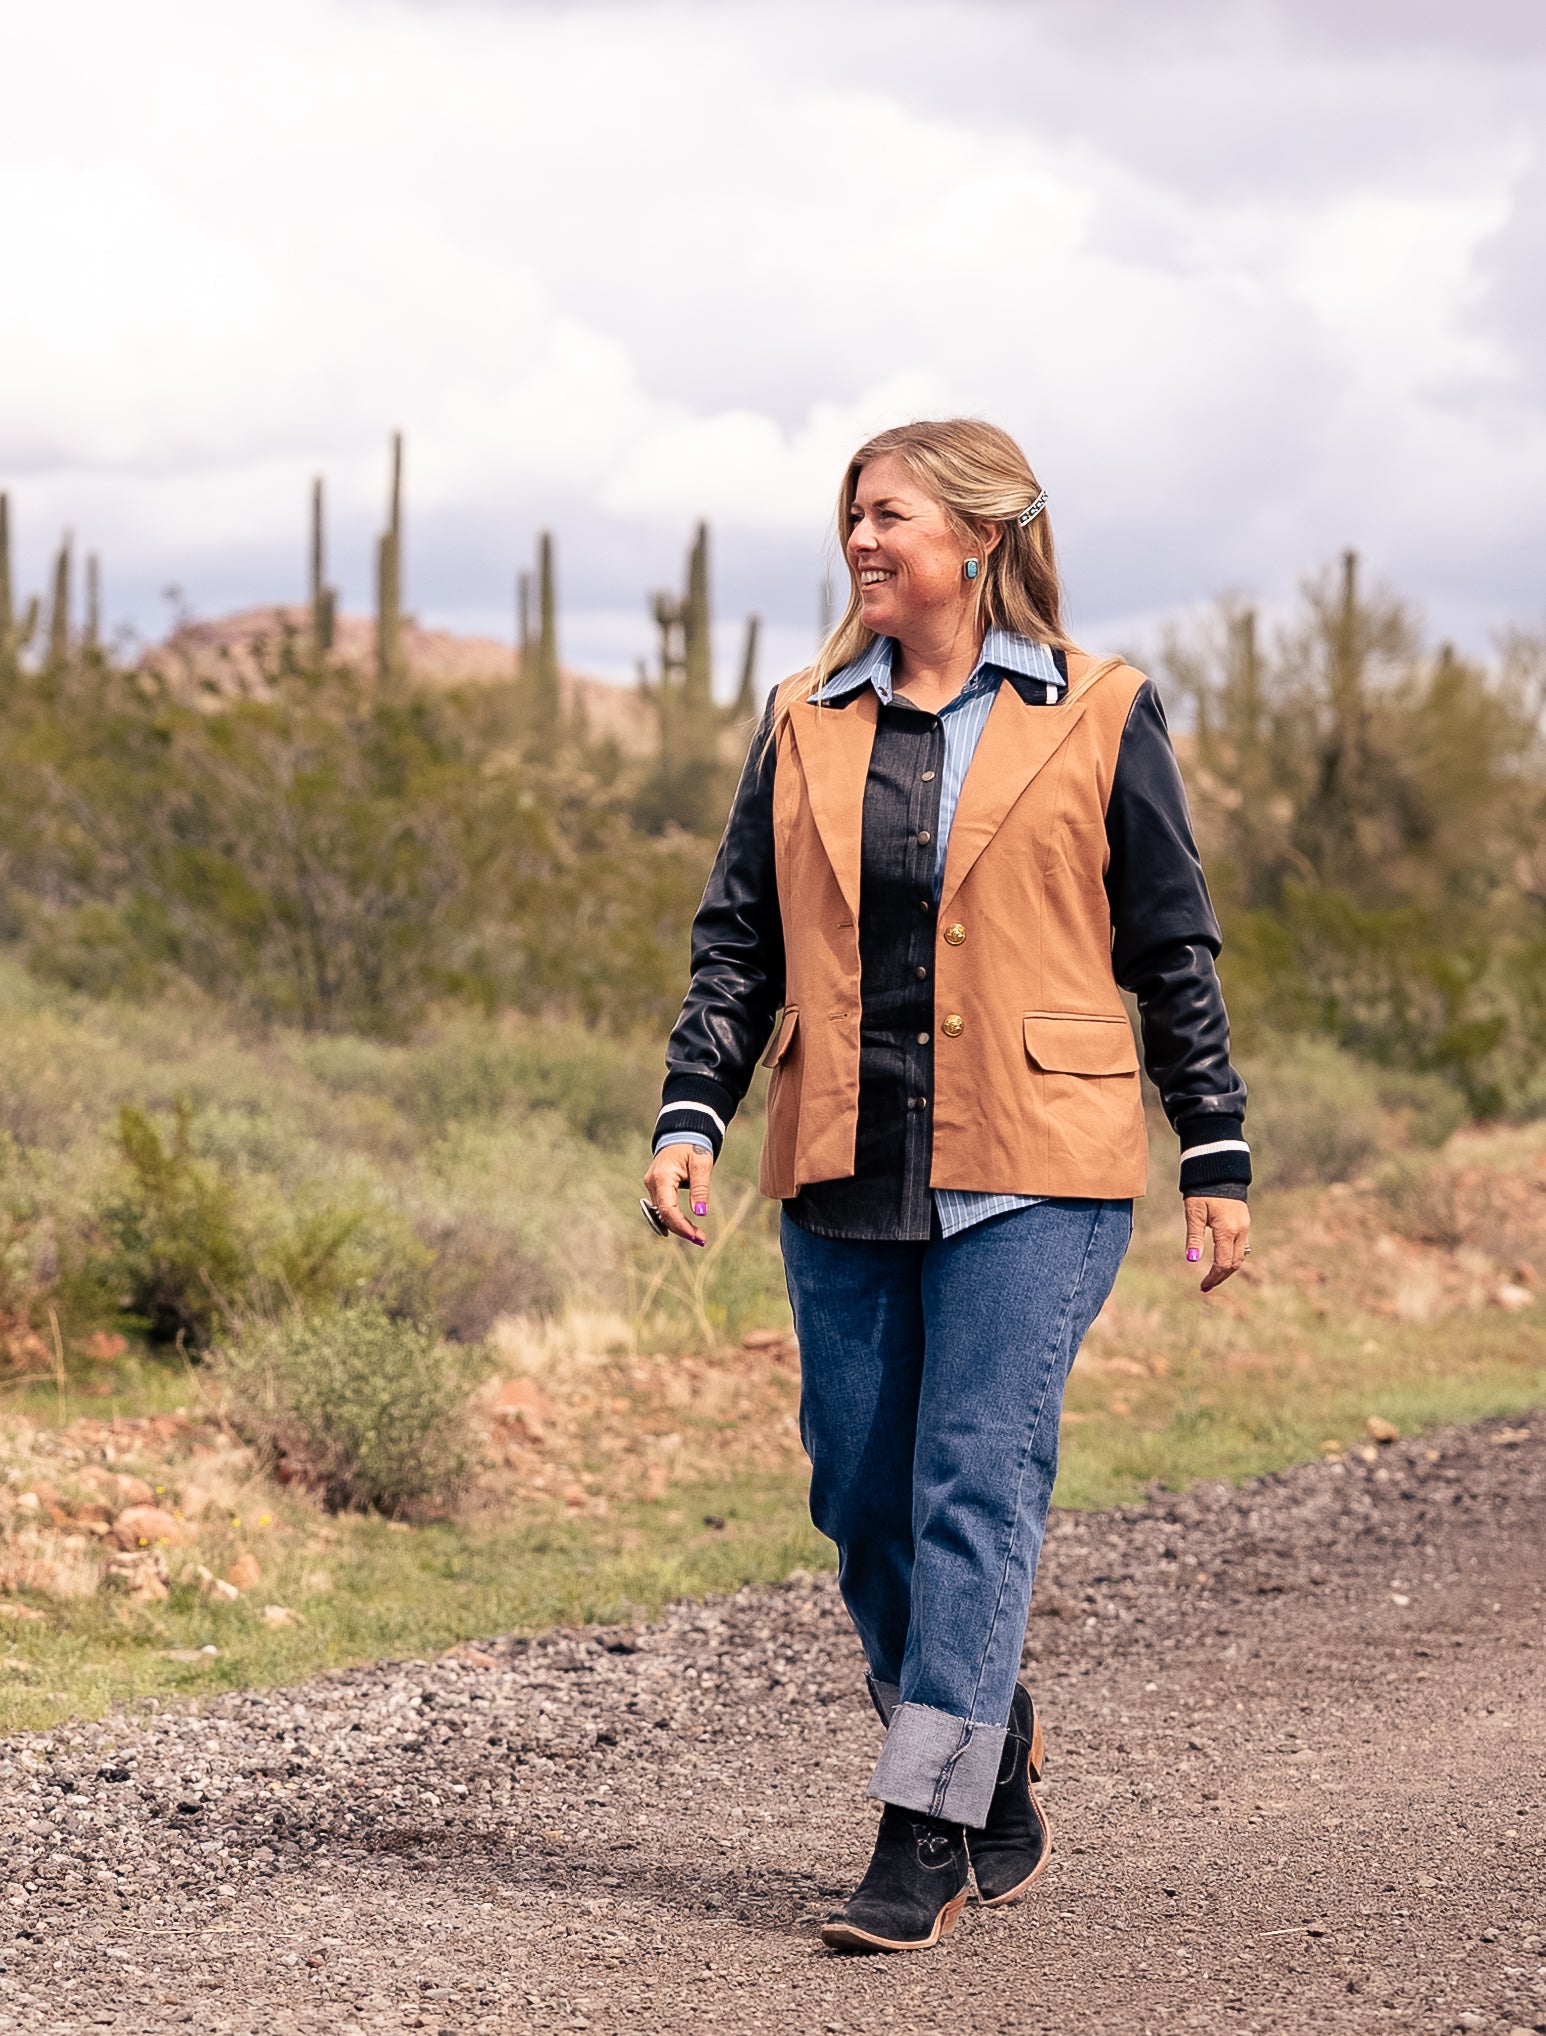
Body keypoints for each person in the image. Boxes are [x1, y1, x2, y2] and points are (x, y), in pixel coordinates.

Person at [643, 418, 1251, 1953]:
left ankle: (921, 1830)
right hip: (846, 1153)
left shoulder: (1098, 711)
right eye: (850, 514)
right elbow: (739, 945)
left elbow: (1167, 946)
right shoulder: (799, 720)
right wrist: (691, 1114)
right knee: (858, 1496)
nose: (859, 538)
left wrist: (1214, 1149)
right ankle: (990, 1744)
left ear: (975, 538)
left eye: (889, 515)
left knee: (973, 1484)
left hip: (1039, 1169)